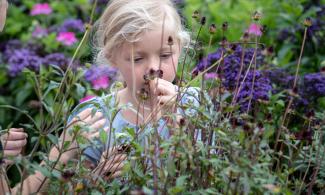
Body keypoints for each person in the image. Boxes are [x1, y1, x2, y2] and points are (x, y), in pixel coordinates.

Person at [2, 0, 199, 193]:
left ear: (179, 48)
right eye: (137, 59)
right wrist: (98, 176)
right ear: (112, 58)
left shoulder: (196, 104)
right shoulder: (96, 119)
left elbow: (207, 172)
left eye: (165, 55)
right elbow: (69, 187)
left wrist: (178, 120)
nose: (154, 68)